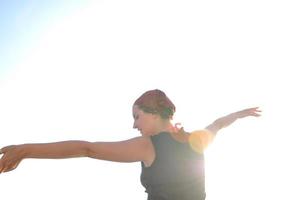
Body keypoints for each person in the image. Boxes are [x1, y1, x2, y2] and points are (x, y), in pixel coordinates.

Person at [0, 89, 261, 200]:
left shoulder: (148, 145)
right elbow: (218, 123)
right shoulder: (197, 140)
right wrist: (239, 114)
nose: (134, 124)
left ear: (155, 113)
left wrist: (26, 150)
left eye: (137, 116)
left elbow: (86, 148)